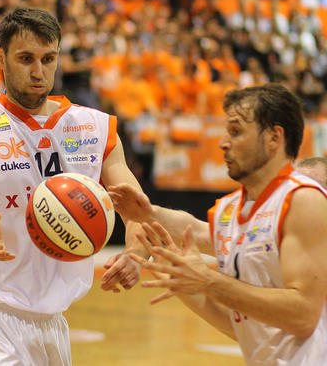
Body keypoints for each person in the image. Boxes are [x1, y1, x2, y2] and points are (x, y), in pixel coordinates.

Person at [0, 7, 145, 365]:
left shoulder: (96, 128)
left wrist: (137, 253)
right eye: (26, 59)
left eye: (48, 59)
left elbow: (139, 209)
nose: (38, 71)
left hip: (53, 323)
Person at [107, 84, 327, 365]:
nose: (223, 142)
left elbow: (303, 317)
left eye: (236, 131)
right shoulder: (229, 209)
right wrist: (150, 216)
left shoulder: (303, 199)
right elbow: (247, 327)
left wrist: (209, 281)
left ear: (274, 137)